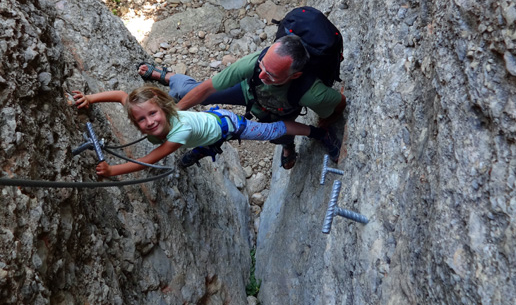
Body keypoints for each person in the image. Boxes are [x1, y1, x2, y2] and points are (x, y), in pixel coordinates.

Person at [138, 34, 346, 169]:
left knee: (279, 133)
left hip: (281, 107)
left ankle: (288, 146)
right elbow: (207, 87)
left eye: (272, 75)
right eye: (262, 67)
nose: (263, 75)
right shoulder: (253, 64)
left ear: (295, 75)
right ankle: (169, 77)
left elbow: (339, 104)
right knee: (187, 91)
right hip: (247, 92)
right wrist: (174, 114)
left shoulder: (311, 93)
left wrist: (325, 122)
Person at [72, 84, 340, 176]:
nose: (150, 122)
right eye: (142, 119)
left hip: (229, 126)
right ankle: (204, 148)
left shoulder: (178, 133)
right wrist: (90, 99)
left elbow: (148, 161)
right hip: (209, 123)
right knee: (204, 143)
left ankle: (317, 133)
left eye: (153, 114)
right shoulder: (146, 111)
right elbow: (121, 95)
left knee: (273, 130)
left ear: (164, 109)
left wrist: (112, 171)